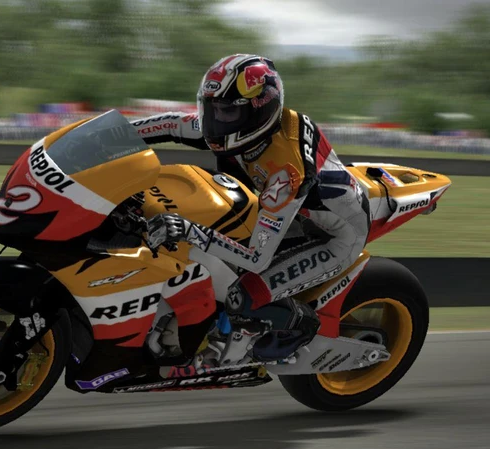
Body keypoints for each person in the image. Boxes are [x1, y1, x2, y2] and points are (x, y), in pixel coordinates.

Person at [137, 54, 371, 360]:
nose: (215, 120)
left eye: (227, 112)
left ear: (261, 109)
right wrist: (97, 136)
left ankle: (298, 326)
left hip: (334, 237)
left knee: (241, 295)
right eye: (211, 108)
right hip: (290, 212)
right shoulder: (243, 125)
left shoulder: (286, 171)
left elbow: (256, 258)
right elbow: (169, 124)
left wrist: (188, 230)